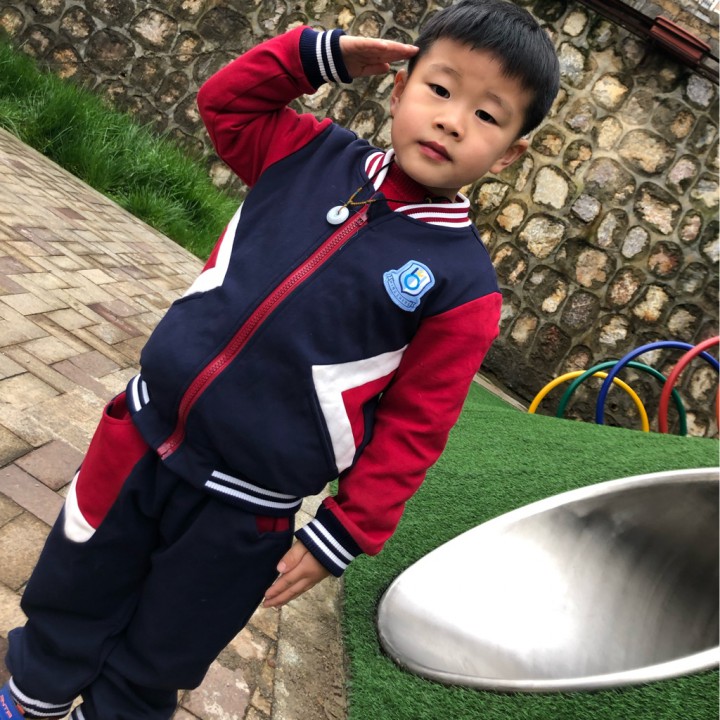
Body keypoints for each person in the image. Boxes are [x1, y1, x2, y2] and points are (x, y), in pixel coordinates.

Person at [1, 1, 559, 717]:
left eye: (486, 115)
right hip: (138, 437)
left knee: (158, 657)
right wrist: (314, 55)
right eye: (440, 88)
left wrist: (346, 530)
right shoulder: (307, 151)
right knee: (70, 592)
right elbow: (225, 102)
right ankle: (31, 701)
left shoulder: (464, 288)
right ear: (398, 88)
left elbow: (416, 427)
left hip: (245, 513)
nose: (452, 120)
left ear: (509, 154)